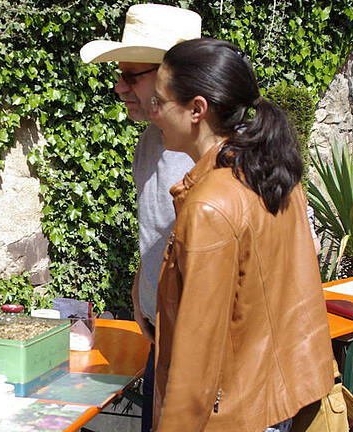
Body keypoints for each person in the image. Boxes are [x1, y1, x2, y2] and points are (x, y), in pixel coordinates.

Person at [149, 38, 334, 432]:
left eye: (160, 102)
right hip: (277, 402)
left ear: (196, 109)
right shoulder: (272, 171)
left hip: (234, 416)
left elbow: (196, 358)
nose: (154, 114)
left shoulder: (210, 205)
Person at [80, 5, 200, 431]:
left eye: (133, 75)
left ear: (175, 76)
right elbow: (162, 230)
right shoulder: (153, 139)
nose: (119, 87)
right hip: (162, 333)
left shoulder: (208, 151)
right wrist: (140, 286)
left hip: (197, 351)